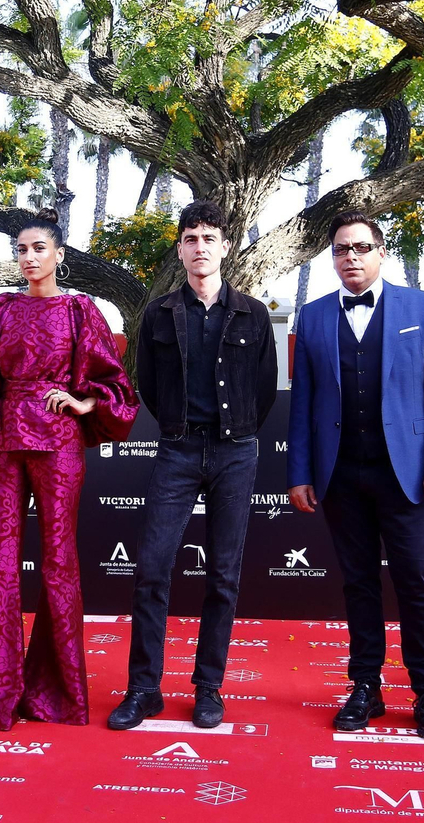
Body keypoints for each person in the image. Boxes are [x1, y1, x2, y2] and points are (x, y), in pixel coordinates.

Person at [0, 207, 138, 731]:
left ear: (58, 255)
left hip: (60, 443)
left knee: (58, 561)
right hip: (5, 443)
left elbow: (114, 382)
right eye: (21, 250)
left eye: (38, 248)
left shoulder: (80, 310)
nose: (28, 257)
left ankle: (57, 694)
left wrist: (84, 403)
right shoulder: (0, 308)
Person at [286, 210, 424, 741]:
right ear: (332, 258)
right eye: (342, 249)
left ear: (380, 253)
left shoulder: (422, 307)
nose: (351, 257)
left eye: (361, 247)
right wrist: (300, 471)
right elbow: (303, 403)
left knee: (415, 582)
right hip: (340, 474)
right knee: (358, 583)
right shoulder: (312, 317)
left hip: (404, 473)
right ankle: (365, 686)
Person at [108, 200, 277, 731]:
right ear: (179, 249)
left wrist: (237, 431)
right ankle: (144, 688)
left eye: (208, 238)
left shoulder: (253, 313)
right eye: (190, 238)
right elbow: (148, 385)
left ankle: (208, 688)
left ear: (225, 247)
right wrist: (179, 427)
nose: (199, 247)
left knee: (223, 575)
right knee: (151, 570)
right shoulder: (158, 313)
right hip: (178, 449)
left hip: (235, 452)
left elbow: (265, 387)